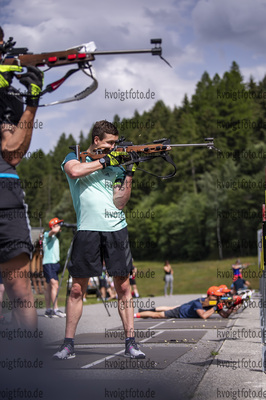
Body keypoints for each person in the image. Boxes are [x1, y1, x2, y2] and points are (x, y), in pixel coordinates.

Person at [53, 120, 145, 360]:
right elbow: (74, 171)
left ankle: (130, 343)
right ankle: (68, 344)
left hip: (116, 228)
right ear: (97, 141)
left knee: (123, 287)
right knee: (76, 289)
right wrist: (105, 160)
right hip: (87, 230)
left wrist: (128, 172)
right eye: (110, 143)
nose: (114, 147)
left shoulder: (115, 166)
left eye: (116, 143)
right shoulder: (74, 156)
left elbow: (120, 202)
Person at [0, 26, 43, 329]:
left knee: (19, 289)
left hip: (6, 195)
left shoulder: (8, 97)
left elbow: (12, 152)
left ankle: (28, 367)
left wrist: (31, 101)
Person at [135, 286, 234, 320]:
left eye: (219, 296)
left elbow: (225, 315)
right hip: (180, 312)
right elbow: (203, 316)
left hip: (184, 310)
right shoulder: (200, 302)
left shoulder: (213, 303)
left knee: (160, 313)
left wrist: (232, 307)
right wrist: (216, 308)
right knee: (157, 315)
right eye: (216, 296)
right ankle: (135, 315)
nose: (218, 297)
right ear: (209, 295)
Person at [42, 217, 66, 318]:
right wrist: (55, 228)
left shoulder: (55, 238)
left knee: (49, 287)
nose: (60, 226)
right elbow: (52, 231)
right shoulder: (48, 235)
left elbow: (55, 231)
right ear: (53, 226)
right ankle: (55, 309)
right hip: (49, 263)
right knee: (54, 284)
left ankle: (48, 310)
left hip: (53, 264)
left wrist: (58, 227)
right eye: (58, 224)